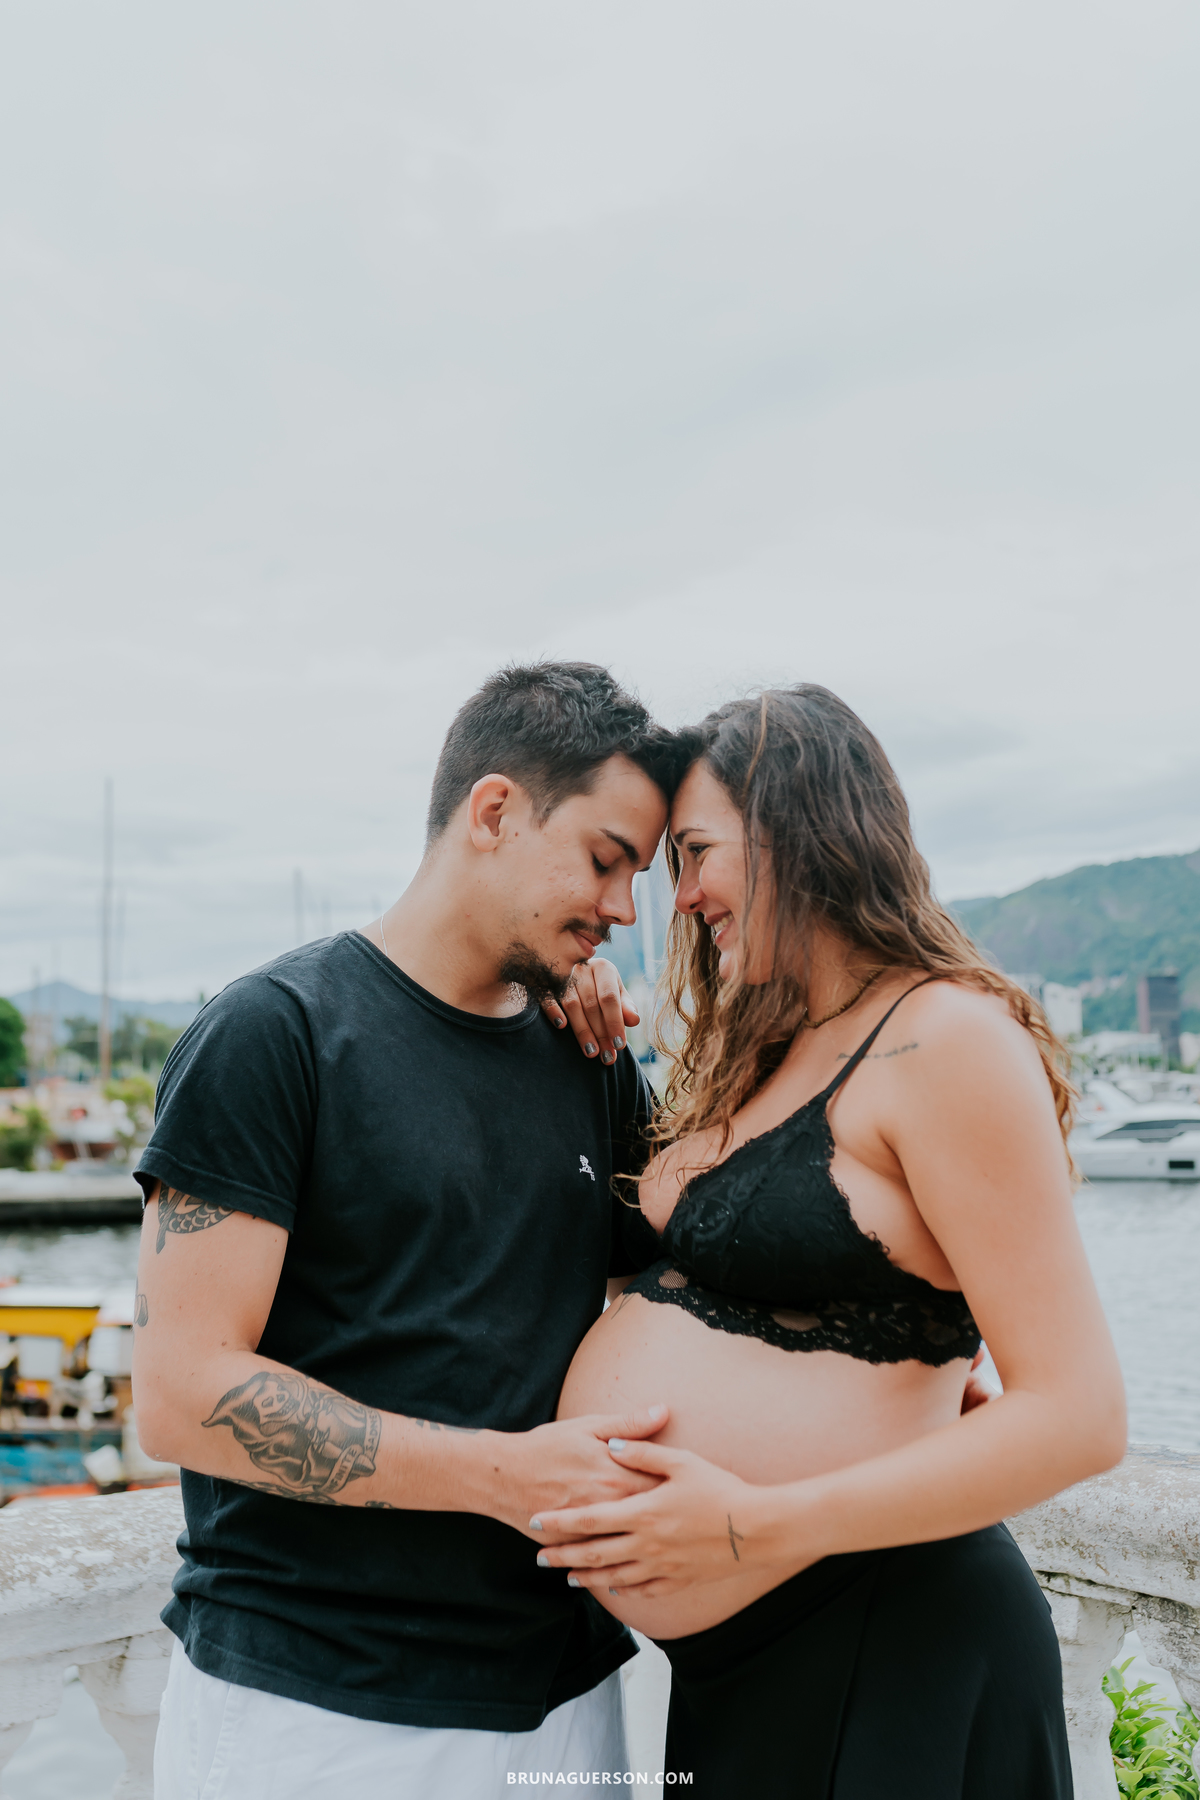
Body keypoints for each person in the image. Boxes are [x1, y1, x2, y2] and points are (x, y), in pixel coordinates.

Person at [535, 683, 1127, 1799]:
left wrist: (752, 1522)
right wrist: (586, 1025)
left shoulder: (945, 1039)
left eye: (700, 852)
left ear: (805, 828)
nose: (686, 895)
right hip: (743, 1662)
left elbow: (1083, 1416)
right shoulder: (766, 1043)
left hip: (891, 1635)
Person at [131, 662, 686, 1799]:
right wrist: (502, 1476)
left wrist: (906, 1371)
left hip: (568, 1700)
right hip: (318, 1714)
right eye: (605, 858)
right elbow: (181, 1394)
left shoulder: (588, 1061)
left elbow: (680, 1296)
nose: (626, 908)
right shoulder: (271, 1035)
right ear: (492, 812)